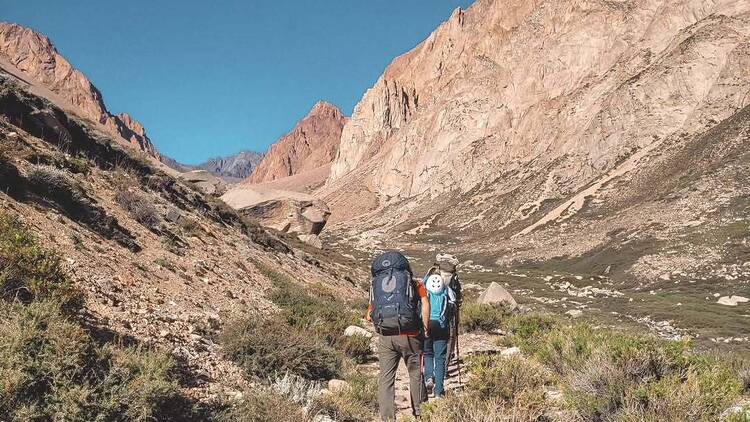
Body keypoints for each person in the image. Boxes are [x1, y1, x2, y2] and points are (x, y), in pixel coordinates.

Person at [366, 251, 430, 421]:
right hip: (410, 335)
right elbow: (425, 304)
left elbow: (369, 314)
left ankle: (387, 418)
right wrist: (425, 328)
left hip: (386, 336)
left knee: (386, 379)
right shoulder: (414, 283)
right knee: (415, 374)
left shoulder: (376, 285)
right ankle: (421, 413)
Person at [422, 274, 457, 398]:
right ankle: (439, 391)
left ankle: (429, 378)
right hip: (442, 327)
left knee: (427, 353)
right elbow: (454, 308)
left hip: (426, 325)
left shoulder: (424, 289)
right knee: (440, 358)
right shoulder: (447, 290)